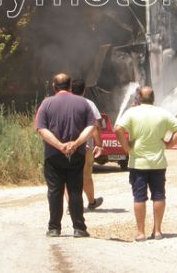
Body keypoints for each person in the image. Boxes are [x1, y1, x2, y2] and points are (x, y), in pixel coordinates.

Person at [114, 86, 177, 242]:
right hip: (158, 162)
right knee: (159, 195)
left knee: (139, 197)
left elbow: (118, 129)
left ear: (139, 97)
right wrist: (170, 144)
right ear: (154, 97)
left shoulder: (132, 112)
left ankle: (141, 232)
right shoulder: (162, 113)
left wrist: (126, 148)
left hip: (138, 162)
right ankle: (158, 231)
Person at [35, 73, 96, 238]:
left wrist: (60, 146)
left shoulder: (46, 103)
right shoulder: (82, 103)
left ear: (54, 87)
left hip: (53, 155)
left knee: (55, 191)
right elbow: (91, 126)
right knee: (75, 190)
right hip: (76, 154)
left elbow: (42, 129)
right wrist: (75, 144)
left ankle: (54, 228)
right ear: (70, 87)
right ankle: (79, 228)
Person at [64, 79, 103, 211]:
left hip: (65, 145)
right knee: (86, 175)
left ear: (70, 89)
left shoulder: (63, 103)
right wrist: (99, 144)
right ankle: (91, 202)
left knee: (67, 176)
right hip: (86, 146)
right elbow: (95, 126)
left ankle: (70, 205)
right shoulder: (89, 104)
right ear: (84, 90)